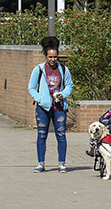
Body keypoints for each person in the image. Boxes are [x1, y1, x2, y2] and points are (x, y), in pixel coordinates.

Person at [28, 36, 73, 173]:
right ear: (46, 56)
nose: (53, 60)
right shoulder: (39, 69)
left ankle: (61, 164)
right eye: (50, 57)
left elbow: (69, 86)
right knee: (42, 135)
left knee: (61, 135)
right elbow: (31, 87)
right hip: (43, 108)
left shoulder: (64, 69)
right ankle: (41, 163)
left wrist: (63, 95)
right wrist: (40, 99)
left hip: (59, 108)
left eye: (55, 57)